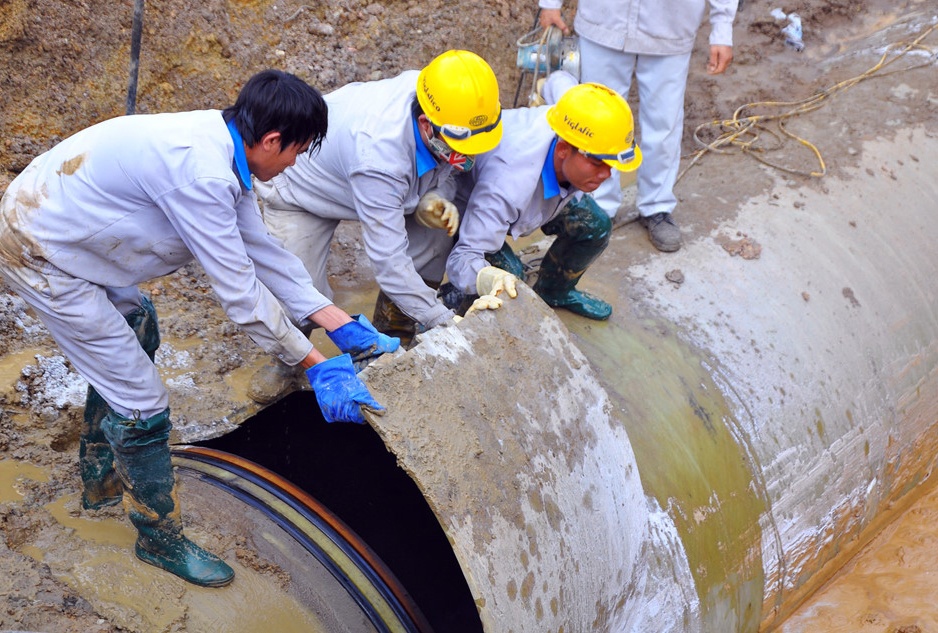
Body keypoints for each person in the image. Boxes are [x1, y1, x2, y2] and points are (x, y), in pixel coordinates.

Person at [0, 69, 398, 588]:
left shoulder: (226, 152)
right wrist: (316, 365)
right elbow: (241, 294)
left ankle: (100, 479)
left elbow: (265, 253)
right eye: (298, 150)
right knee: (143, 402)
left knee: (137, 325)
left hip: (68, 227)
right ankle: (157, 538)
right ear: (272, 140)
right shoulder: (202, 174)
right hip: (42, 250)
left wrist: (338, 322)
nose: (298, 162)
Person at [248, 49, 503, 404]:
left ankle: (394, 331)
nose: (466, 154)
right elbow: (388, 263)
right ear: (426, 124)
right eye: (457, 145)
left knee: (438, 233)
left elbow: (452, 165)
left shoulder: (448, 101)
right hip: (302, 186)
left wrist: (436, 197)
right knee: (298, 296)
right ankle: (286, 363)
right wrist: (444, 321)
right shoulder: (378, 152)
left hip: (383, 180)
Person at [537, 0, 737, 252]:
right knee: (595, 121)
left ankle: (657, 206)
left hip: (671, 26)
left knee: (664, 124)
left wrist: (722, 28)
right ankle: (597, 207)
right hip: (605, 18)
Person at [441, 82, 641, 321]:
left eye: (612, 165)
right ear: (564, 149)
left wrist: (546, 83)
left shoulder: (573, 118)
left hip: (540, 190)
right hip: (471, 209)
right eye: (598, 163)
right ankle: (466, 317)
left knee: (595, 226)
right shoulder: (507, 182)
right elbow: (463, 258)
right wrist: (485, 277)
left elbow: (560, 82)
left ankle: (553, 291)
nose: (606, 175)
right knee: (508, 279)